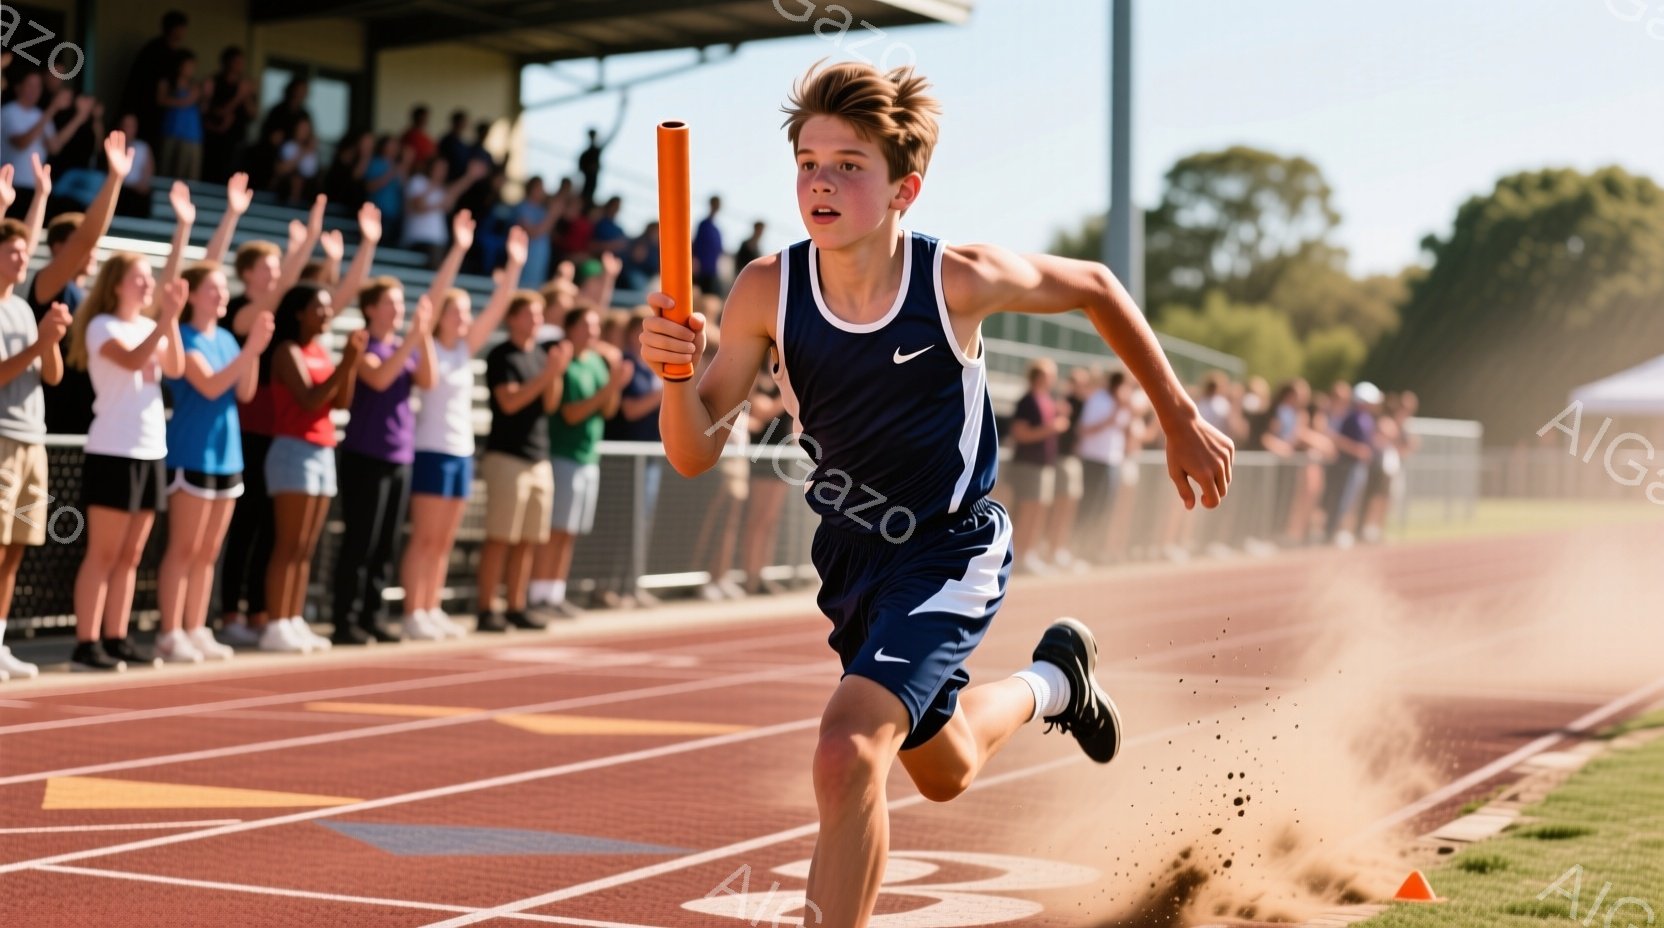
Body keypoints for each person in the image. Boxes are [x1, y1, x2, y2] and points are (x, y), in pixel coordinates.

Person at [638, 62, 1232, 928]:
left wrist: (1177, 416)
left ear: (903, 189)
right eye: (808, 163)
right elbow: (694, 452)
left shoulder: (955, 280)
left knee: (846, 753)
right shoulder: (768, 290)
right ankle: (1055, 682)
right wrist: (674, 374)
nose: (821, 182)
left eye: (848, 165)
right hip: (850, 558)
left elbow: (1097, 286)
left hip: (950, 547)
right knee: (943, 767)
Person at [332, 209, 463, 647]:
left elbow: (428, 379)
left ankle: (372, 616)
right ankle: (346, 618)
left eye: (400, 303)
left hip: (399, 453)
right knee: (360, 540)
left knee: (386, 544)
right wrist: (412, 337)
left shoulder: (405, 346)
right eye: (390, 302)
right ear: (371, 308)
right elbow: (380, 377)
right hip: (365, 453)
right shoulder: (364, 342)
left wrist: (421, 335)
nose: (398, 309)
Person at [401, 227, 531, 639]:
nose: (465, 317)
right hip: (431, 450)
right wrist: (458, 248)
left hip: (461, 452)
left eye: (465, 312)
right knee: (424, 538)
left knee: (444, 540)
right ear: (441, 316)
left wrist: (514, 266)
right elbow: (434, 295)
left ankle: (431, 606)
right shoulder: (428, 345)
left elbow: (498, 307)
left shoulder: (462, 349)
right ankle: (413, 612)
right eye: (457, 311)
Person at [68, 255, 187, 671]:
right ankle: (87, 642)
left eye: (149, 278)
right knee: (103, 553)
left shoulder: (149, 326)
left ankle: (116, 636)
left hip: (151, 449)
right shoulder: (102, 326)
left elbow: (176, 367)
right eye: (139, 278)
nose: (147, 284)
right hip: (113, 450)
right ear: (116, 284)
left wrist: (170, 318)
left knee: (131, 555)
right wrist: (164, 319)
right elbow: (134, 360)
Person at [155, 263, 273, 662]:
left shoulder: (225, 338)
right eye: (213, 288)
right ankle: (170, 631)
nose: (222, 295)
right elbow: (209, 385)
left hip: (227, 455)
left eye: (224, 288)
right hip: (191, 451)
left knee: (208, 551)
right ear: (193, 295)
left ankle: (195, 626)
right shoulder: (184, 337)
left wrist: (252, 351)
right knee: (184, 547)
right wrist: (251, 348)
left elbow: (245, 391)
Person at [261, 283, 366, 653]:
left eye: (327, 308)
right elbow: (308, 400)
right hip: (294, 448)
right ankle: (276, 623)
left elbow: (341, 402)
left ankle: (293, 618)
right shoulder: (287, 351)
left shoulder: (320, 350)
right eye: (318, 308)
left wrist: (350, 365)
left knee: (306, 547)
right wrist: (347, 363)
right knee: (288, 544)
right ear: (299, 313)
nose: (326, 314)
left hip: (322, 448)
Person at [0, 164, 72, 681]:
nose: (23, 258)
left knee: (18, 547)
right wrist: (40, 344)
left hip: (33, 439)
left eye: (26, 251)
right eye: (13, 251)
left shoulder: (25, 311)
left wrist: (51, 342)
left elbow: (53, 374)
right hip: (2, 439)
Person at [29, 132, 134, 435]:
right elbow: (86, 237)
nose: (92, 251)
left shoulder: (91, 296)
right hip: (52, 420)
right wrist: (114, 179)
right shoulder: (47, 284)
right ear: (59, 248)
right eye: (86, 246)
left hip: (88, 421)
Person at [477, 292, 570, 633]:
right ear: (512, 319)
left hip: (538, 456)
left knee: (528, 539)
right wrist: (549, 373)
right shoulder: (502, 355)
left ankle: (516, 605)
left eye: (539, 314)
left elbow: (550, 404)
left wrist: (555, 373)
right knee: (500, 537)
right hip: (507, 456)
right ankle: (487, 608)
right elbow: (510, 402)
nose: (536, 320)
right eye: (529, 314)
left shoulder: (540, 356)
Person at [530, 305, 629, 618]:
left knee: (569, 531)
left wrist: (613, 386)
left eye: (596, 326)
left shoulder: (596, 363)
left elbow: (608, 410)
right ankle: (538, 593)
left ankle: (554, 593)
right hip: (564, 453)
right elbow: (571, 413)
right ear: (571, 328)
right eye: (587, 325)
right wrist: (610, 387)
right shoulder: (566, 363)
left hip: (588, 456)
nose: (593, 332)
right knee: (554, 530)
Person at [3, 71, 93, 218]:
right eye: (30, 85)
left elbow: (54, 147)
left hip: (35, 187)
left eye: (38, 86)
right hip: (11, 185)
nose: (35, 90)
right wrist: (52, 108)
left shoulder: (40, 115)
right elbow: (22, 143)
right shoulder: (8, 112)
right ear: (18, 87)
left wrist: (79, 117)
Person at [1008, 357, 1066, 575]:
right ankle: (1020, 556)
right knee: (1028, 510)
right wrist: (1051, 428)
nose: (1054, 379)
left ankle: (1028, 554)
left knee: (1038, 510)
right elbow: (1020, 433)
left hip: (1043, 465)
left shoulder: (1047, 399)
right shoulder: (1028, 401)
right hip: (1028, 465)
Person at [119, 9, 188, 149]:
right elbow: (160, 97)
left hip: (147, 113)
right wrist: (185, 101)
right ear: (174, 29)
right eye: (182, 29)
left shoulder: (159, 49)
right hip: (146, 113)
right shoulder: (159, 52)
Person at [201, 46, 257, 184]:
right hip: (215, 138)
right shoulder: (215, 82)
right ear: (226, 62)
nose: (239, 66)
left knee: (233, 176)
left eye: (241, 62)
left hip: (237, 139)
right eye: (236, 62)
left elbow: (253, 114)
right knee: (212, 174)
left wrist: (246, 95)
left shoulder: (244, 84)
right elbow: (212, 111)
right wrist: (239, 96)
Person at [156, 49, 203, 181]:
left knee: (187, 174)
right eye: (188, 65)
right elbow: (161, 100)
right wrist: (184, 100)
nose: (191, 69)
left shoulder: (195, 85)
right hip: (171, 130)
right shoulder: (167, 82)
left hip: (191, 134)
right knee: (167, 169)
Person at [692, 195, 723, 294]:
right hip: (701, 270)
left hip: (712, 271)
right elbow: (696, 246)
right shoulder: (703, 225)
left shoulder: (716, 230)